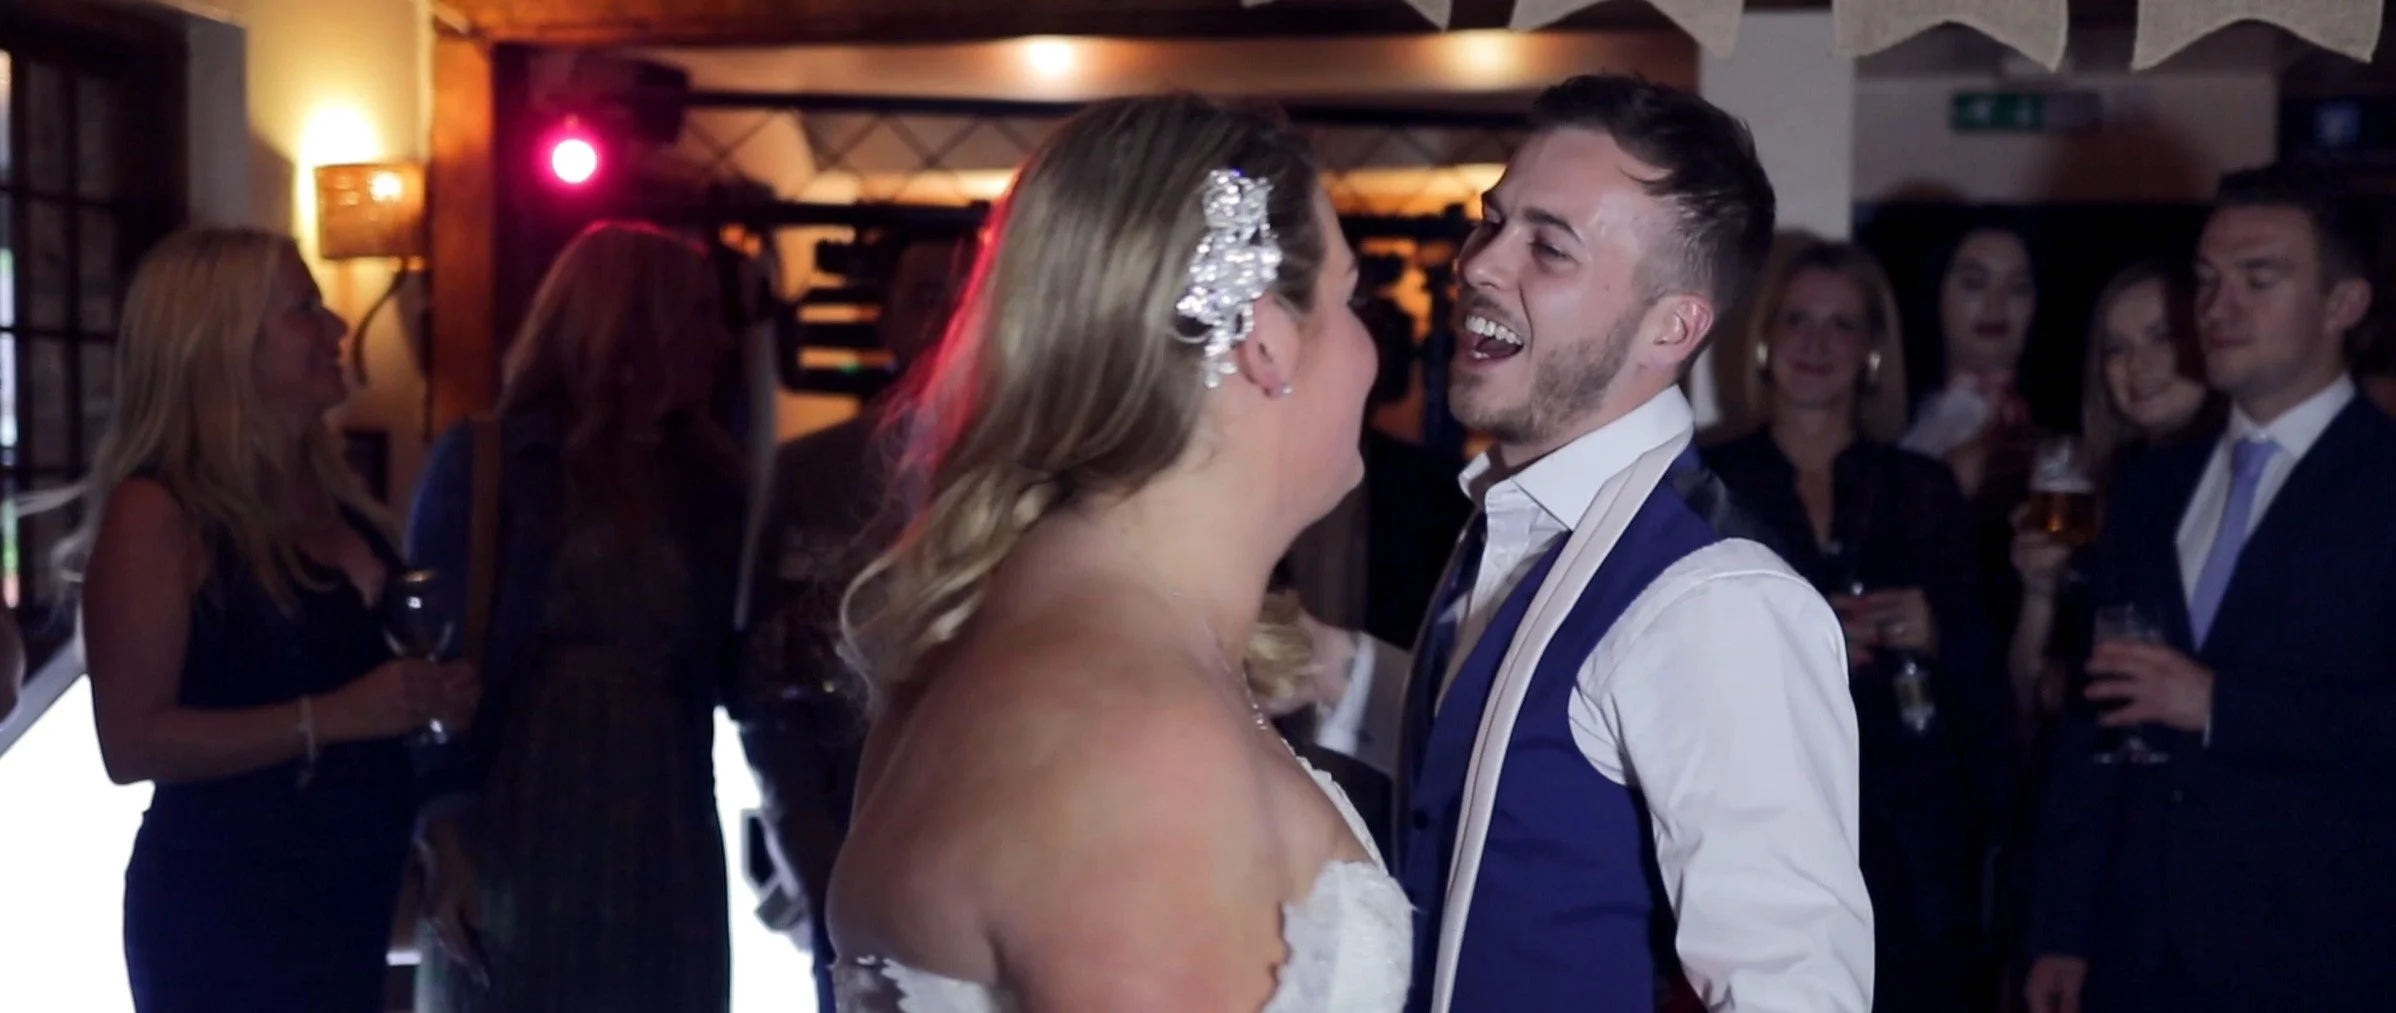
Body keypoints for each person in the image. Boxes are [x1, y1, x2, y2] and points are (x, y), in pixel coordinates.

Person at [1306, 75, 1873, 1013]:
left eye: (1549, 247)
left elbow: (1796, 994)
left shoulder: (1715, 602)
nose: (1481, 264)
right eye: (1495, 221)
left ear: (1673, 325)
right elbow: (1516, 745)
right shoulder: (1519, 517)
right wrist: (1329, 670)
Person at [828, 94, 1407, 1012]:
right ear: (1266, 340)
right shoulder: (1147, 744)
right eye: (1349, 296)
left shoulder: (1013, 645)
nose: (1372, 345)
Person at [62, 227, 476, 1011]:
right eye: (304, 310)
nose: (337, 328)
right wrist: (337, 716)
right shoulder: (159, 512)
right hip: (229, 908)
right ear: (223, 347)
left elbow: (375, 696)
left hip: (348, 897)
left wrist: (428, 710)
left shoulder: (345, 502)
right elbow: (132, 741)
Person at [2025, 163, 2396, 1013]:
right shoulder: (2156, 484)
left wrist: (2222, 704)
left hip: (2323, 955)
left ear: (2344, 304)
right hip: (2136, 957)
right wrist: (2062, 929)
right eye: (2206, 280)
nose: (2217, 307)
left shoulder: (2385, 482)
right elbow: (2097, 723)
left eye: (2257, 280)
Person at [408, 221, 746, 1012]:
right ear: (629, 323)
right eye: (696, 313)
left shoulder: (707, 478)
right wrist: (444, 831)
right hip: (521, 802)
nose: (720, 338)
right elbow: (430, 659)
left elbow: (717, 666)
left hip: (662, 813)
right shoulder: (491, 462)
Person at [1703, 239, 2008, 1013]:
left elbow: (1988, 688)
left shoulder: (1922, 487)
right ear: (1765, 338)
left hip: (1910, 848)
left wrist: (1934, 632)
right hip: (1757, 837)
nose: (1816, 344)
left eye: (1842, 326)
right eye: (1798, 320)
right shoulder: (1707, 485)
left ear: (1873, 350)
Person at [739, 232, 968, 1012]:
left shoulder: (1044, 471)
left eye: (967, 293)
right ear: (888, 322)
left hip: (993, 821)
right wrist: (806, 844)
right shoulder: (816, 472)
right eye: (926, 295)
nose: (947, 317)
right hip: (851, 819)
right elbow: (771, 682)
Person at [2008, 260, 2221, 731]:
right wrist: (2040, 592)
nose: (2137, 364)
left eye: (2162, 337)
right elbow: (2026, 704)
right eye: (2116, 348)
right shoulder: (2108, 486)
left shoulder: (2234, 485)